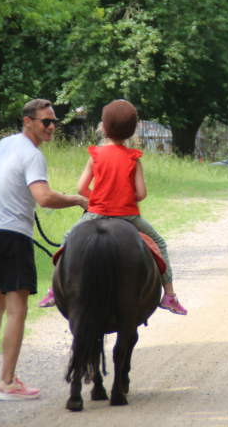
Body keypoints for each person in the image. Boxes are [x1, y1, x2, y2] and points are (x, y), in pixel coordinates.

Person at [0, 99, 90, 400]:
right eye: (45, 122)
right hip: (12, 238)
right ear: (27, 122)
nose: (52, 127)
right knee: (16, 310)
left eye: (54, 121)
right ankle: (7, 383)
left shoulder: (4, 144)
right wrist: (77, 200)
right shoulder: (32, 155)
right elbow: (44, 197)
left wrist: (6, 199)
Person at [38, 99, 188, 315]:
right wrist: (125, 198)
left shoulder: (96, 155)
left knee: (67, 239)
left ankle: (54, 290)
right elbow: (142, 194)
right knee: (159, 244)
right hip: (128, 217)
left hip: (96, 214)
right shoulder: (134, 159)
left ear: (104, 128)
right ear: (131, 131)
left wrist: (97, 199)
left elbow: (81, 188)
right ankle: (170, 296)